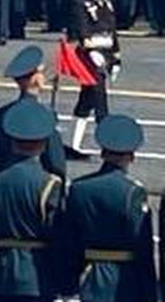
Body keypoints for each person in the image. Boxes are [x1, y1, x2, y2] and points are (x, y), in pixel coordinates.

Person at [0, 98, 66, 302]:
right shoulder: (49, 184)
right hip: (39, 275)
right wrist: (64, 282)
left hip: (0, 273)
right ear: (43, 145)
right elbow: (59, 238)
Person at [60, 114, 157, 302]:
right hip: (126, 281)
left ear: (103, 153)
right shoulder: (133, 192)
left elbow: (69, 241)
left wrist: (67, 285)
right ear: (131, 156)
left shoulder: (79, 188)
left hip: (88, 278)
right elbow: (143, 249)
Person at [0, 45, 67, 179]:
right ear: (35, 78)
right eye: (41, 72)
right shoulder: (44, 115)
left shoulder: (4, 112)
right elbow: (56, 163)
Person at [68, 0, 120, 160]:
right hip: (90, 55)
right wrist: (90, 50)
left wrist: (116, 58)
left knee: (87, 99)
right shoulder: (79, 1)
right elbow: (82, 28)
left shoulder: (106, 1)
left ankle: (73, 145)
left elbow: (112, 30)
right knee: (100, 100)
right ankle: (108, 146)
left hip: (105, 52)